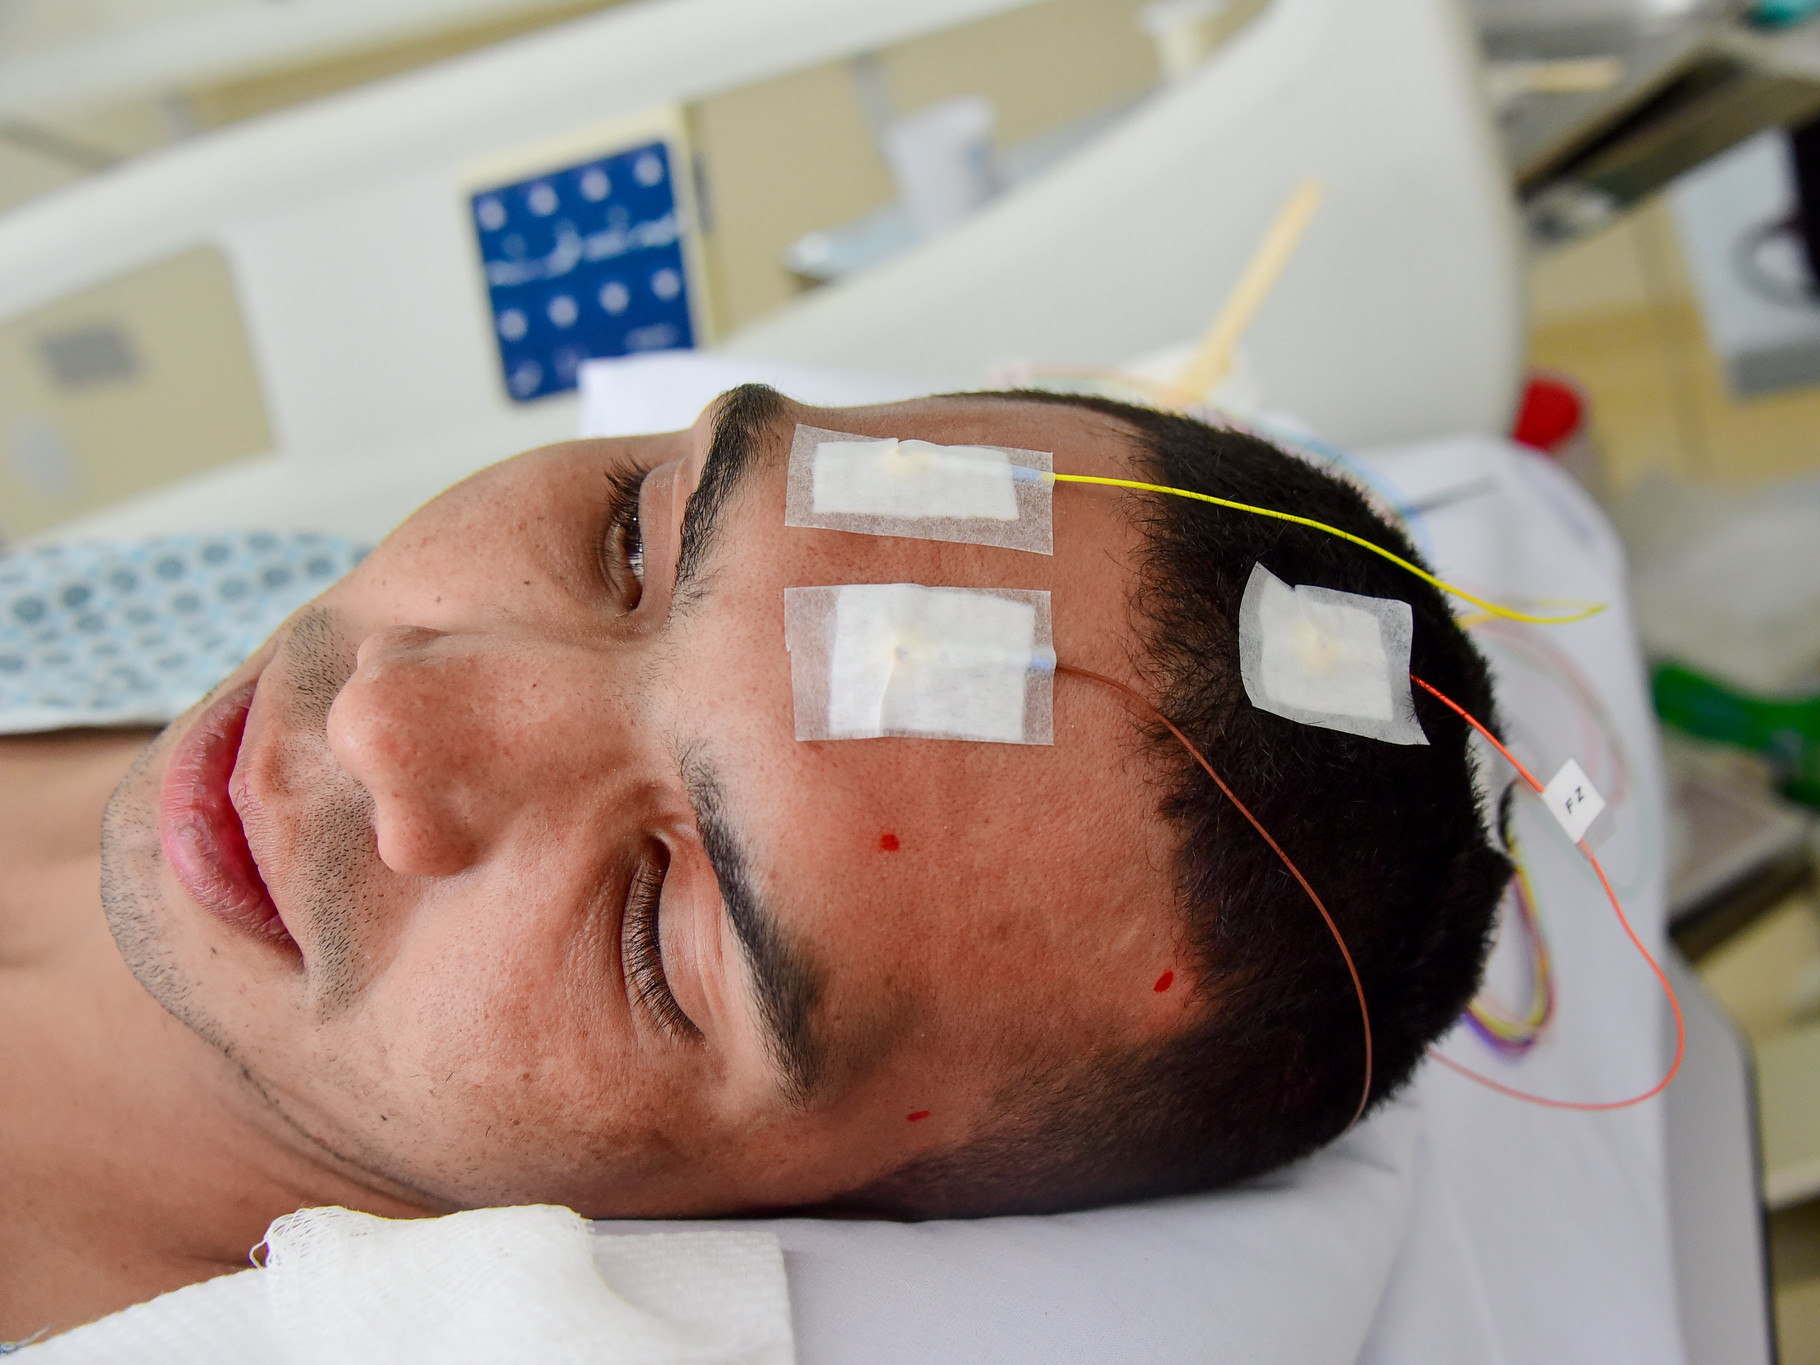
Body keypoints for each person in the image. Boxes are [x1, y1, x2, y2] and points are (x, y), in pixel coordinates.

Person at [0, 385, 1509, 1340]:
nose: (384, 720)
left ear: (812, 1214)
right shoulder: (239, 594)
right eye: (631, 542)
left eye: (655, 917)